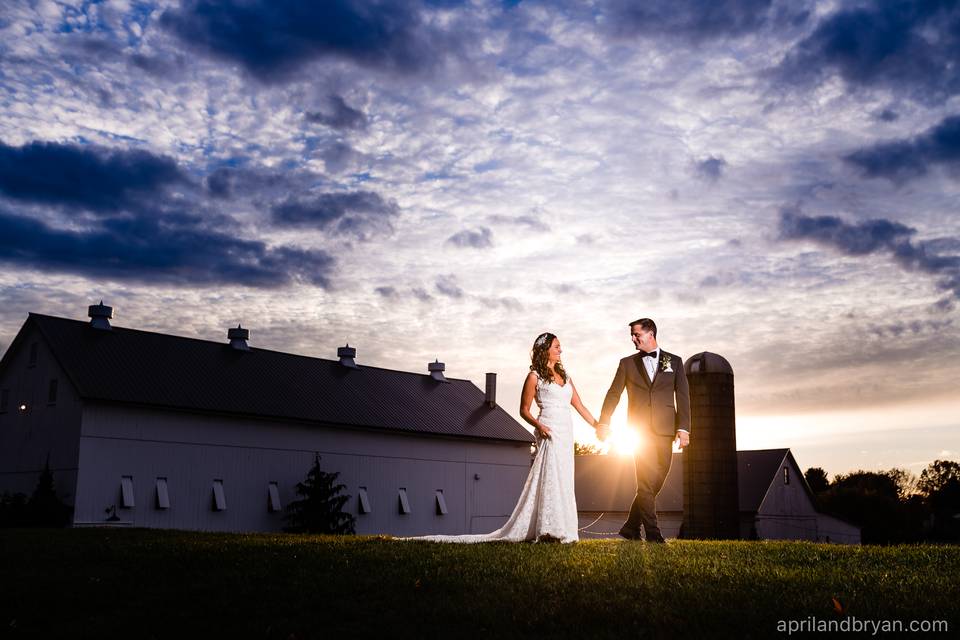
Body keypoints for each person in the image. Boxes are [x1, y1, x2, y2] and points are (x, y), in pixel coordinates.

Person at [406, 332, 601, 543]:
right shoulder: (534, 376)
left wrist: (598, 425)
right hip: (549, 430)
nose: (560, 350)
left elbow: (579, 405)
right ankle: (549, 529)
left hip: (566, 432)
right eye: (556, 346)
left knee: (564, 477)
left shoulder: (567, 377)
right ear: (545, 350)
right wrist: (539, 426)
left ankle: (565, 528)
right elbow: (524, 410)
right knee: (551, 476)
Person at [596, 318, 690, 542]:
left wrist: (684, 428)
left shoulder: (673, 361)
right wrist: (604, 421)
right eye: (632, 335)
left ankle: (630, 527)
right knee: (646, 482)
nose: (633, 338)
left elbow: (683, 396)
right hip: (639, 433)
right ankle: (653, 534)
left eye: (636, 334)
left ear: (651, 334)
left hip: (666, 430)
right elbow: (613, 394)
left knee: (658, 478)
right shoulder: (627, 363)